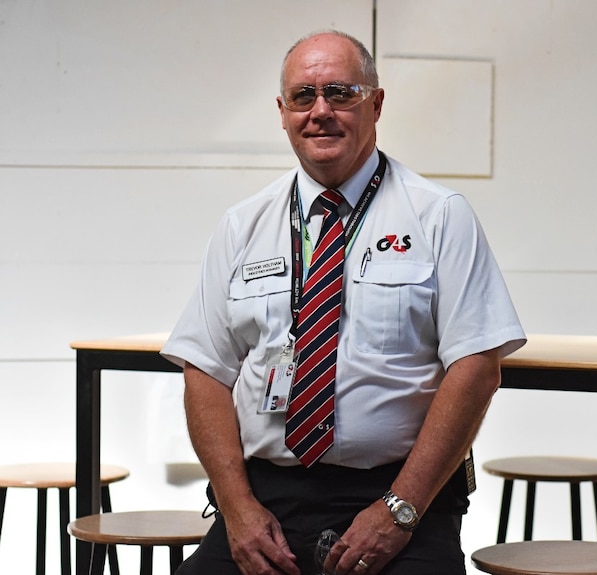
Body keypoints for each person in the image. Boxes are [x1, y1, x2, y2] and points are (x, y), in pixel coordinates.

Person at [162, 29, 525, 575]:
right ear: (282, 112)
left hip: (399, 498)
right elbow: (205, 371)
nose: (321, 111)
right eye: (304, 97)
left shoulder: (439, 216)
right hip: (269, 500)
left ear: (376, 103)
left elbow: (475, 367)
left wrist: (399, 511)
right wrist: (236, 507)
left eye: (341, 93)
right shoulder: (242, 226)